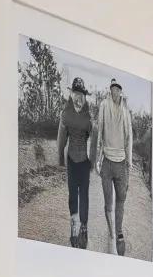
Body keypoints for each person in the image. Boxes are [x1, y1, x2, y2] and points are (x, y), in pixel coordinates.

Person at [96, 77, 133, 256]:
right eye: (113, 89)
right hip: (107, 162)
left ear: (121, 91)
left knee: (121, 200)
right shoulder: (104, 105)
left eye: (118, 89)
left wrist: (129, 163)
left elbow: (129, 138)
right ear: (110, 90)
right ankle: (111, 231)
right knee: (108, 202)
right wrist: (98, 159)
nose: (115, 92)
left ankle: (119, 233)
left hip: (121, 163)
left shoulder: (126, 111)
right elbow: (100, 130)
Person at [56, 77, 94, 248]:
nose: (78, 98)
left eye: (81, 95)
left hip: (84, 162)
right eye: (75, 94)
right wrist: (60, 158)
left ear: (84, 97)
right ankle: (73, 225)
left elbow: (93, 138)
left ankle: (84, 226)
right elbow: (61, 137)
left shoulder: (88, 117)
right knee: (73, 194)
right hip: (71, 160)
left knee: (84, 195)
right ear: (71, 95)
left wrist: (92, 161)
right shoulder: (66, 114)